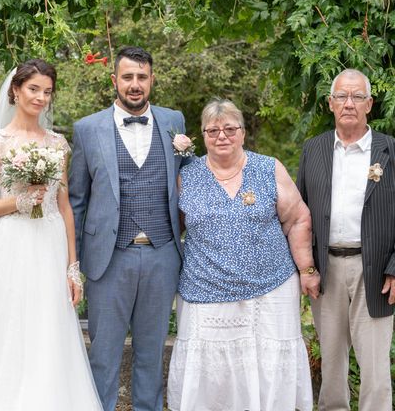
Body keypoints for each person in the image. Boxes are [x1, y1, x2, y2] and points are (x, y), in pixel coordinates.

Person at [0, 59, 101, 410]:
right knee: (9, 325)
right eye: (33, 89)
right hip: (12, 243)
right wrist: (18, 202)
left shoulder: (58, 143)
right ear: (15, 91)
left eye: (47, 91)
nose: (41, 98)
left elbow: (65, 206)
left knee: (49, 326)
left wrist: (73, 266)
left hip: (50, 242)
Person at [167, 98, 319, 411]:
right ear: (203, 136)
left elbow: (298, 218)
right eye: (212, 131)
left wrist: (307, 270)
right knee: (213, 373)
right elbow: (173, 229)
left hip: (271, 288)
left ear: (243, 133)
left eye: (229, 129)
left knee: (267, 363)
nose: (221, 136)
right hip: (205, 290)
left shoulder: (268, 167)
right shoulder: (187, 176)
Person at [69, 46, 186, 411]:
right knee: (103, 355)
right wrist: (71, 263)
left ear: (152, 79)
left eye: (142, 77)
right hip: (108, 257)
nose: (135, 85)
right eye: (127, 77)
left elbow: (187, 182)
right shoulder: (87, 129)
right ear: (114, 80)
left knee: (151, 353)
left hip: (162, 254)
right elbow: (76, 200)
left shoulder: (173, 122)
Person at [296, 69, 395, 411]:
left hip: (377, 272)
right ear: (330, 104)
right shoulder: (314, 149)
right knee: (332, 364)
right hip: (327, 270)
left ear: (369, 103)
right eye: (341, 97)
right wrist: (306, 267)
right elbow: (300, 214)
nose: (348, 103)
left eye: (356, 97)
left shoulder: (390, 150)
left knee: (376, 369)